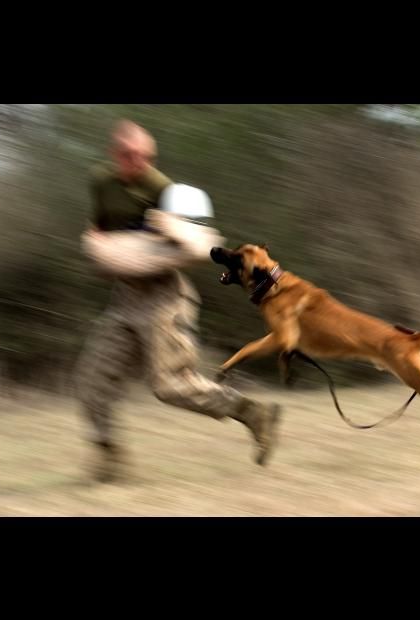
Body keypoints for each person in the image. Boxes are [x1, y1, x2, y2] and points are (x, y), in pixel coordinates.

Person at [75, 120, 281, 482]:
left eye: (144, 156)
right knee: (90, 383)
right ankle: (110, 460)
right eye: (128, 155)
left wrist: (172, 232)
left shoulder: (164, 190)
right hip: (124, 298)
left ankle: (251, 412)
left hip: (164, 298)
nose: (137, 162)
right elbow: (98, 232)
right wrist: (101, 251)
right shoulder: (101, 182)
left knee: (170, 386)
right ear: (114, 154)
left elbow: (198, 243)